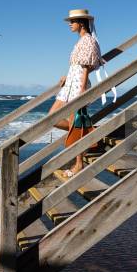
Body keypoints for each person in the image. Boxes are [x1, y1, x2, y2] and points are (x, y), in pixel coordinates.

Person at [49, 9, 103, 177]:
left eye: (72, 22)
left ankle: (79, 163)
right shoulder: (80, 41)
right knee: (52, 118)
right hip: (70, 84)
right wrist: (67, 75)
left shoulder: (88, 40)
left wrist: (81, 89)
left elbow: (87, 66)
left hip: (78, 85)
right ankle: (88, 133)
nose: (70, 25)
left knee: (75, 122)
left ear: (81, 23)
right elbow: (78, 64)